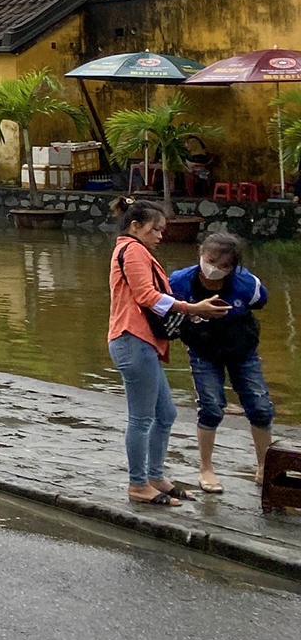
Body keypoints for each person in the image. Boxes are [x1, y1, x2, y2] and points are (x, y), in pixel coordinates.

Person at [107, 199, 228, 506]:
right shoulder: (132, 250)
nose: (161, 235)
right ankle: (138, 484)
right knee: (142, 418)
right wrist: (190, 307)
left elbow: (153, 297)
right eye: (155, 229)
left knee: (166, 414)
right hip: (132, 339)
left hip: (143, 341)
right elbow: (147, 296)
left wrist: (189, 312)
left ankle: (155, 476)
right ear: (136, 227)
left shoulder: (136, 250)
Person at [168, 231, 275, 493]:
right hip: (203, 351)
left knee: (260, 406)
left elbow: (260, 301)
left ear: (233, 267)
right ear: (201, 254)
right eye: (211, 260)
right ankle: (206, 468)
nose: (215, 269)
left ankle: (264, 467)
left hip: (242, 350)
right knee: (211, 407)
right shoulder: (180, 282)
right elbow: (164, 306)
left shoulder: (246, 283)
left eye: (224, 266)